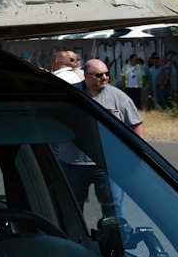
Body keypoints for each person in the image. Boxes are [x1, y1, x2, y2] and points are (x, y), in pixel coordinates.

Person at [58, 59, 146, 219]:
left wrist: (135, 158)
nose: (104, 77)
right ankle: (76, 241)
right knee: (71, 208)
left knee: (113, 207)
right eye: (99, 75)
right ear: (86, 75)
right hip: (73, 163)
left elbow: (137, 126)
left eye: (106, 74)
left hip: (108, 165)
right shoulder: (70, 95)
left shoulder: (119, 97)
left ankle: (116, 240)